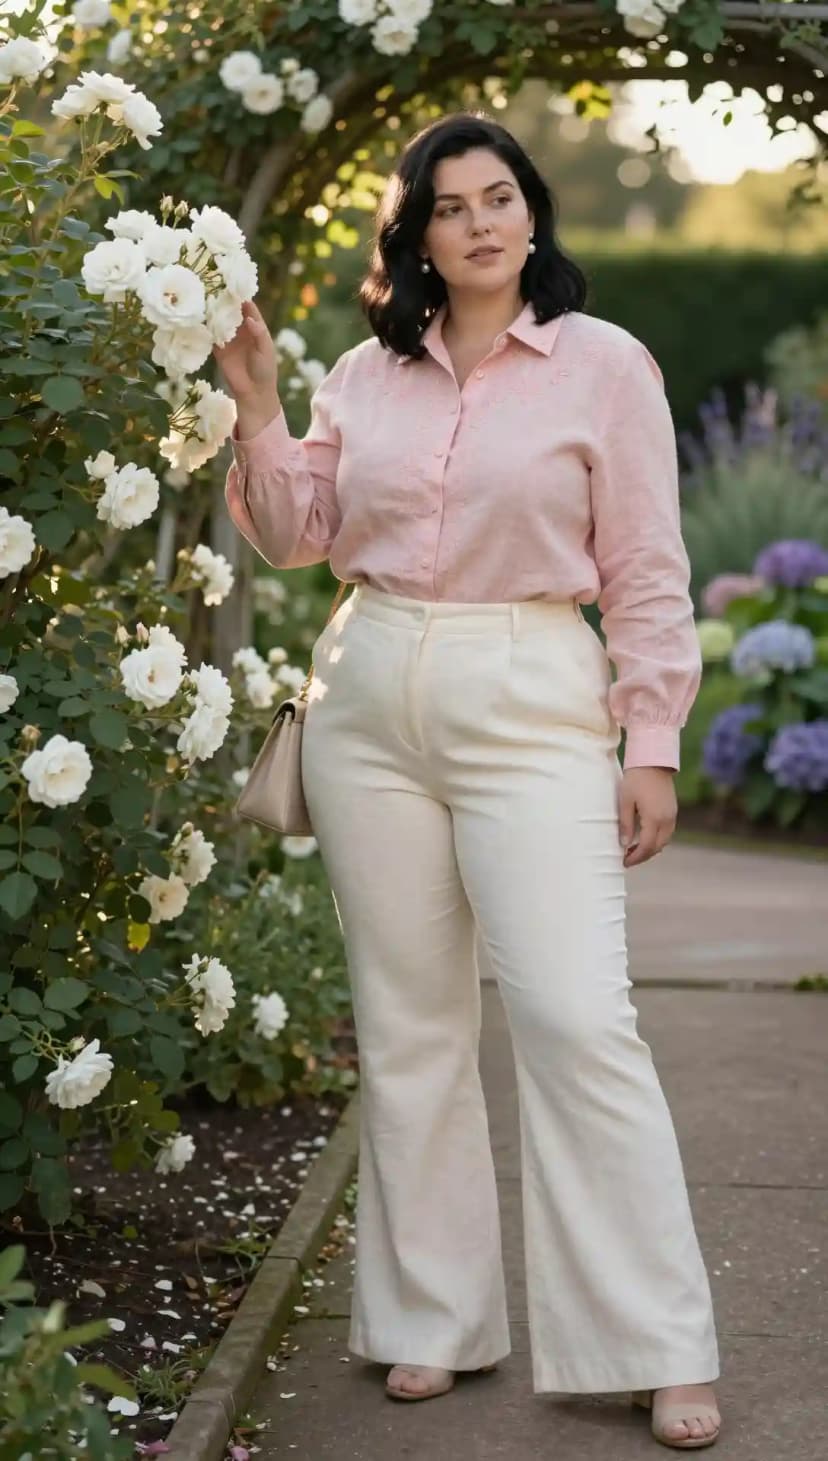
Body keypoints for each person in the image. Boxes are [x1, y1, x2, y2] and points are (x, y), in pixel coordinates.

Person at [216, 111, 722, 1450]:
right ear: (420, 237)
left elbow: (648, 571)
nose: (483, 222)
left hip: (535, 694)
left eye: (502, 197)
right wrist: (261, 408)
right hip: (367, 692)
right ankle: (431, 1318)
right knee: (411, 1027)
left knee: (575, 1016)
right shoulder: (366, 378)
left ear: (533, 213)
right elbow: (295, 537)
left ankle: (659, 1342)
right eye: (453, 206)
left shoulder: (605, 367)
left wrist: (652, 742)